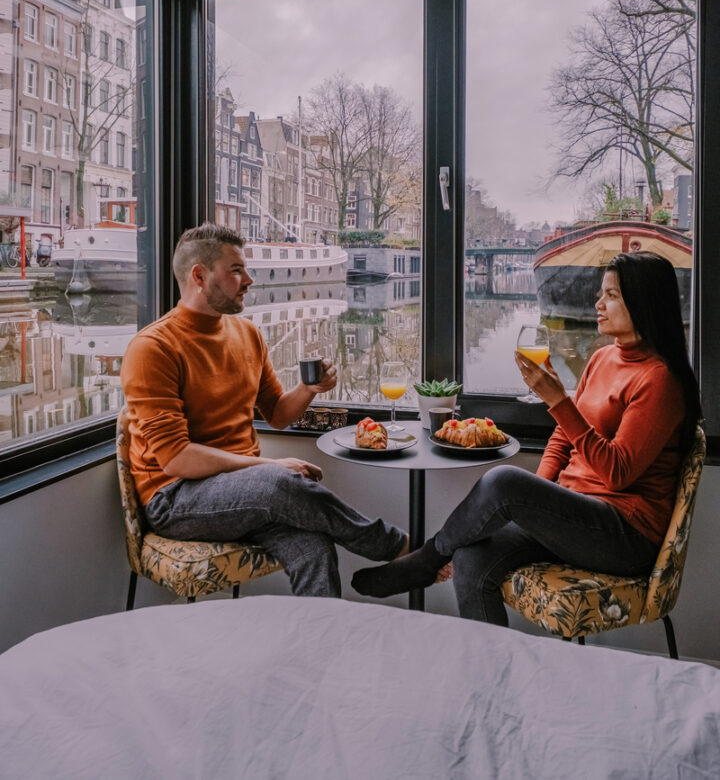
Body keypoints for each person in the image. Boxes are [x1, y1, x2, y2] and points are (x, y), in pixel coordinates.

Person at [352, 252, 701, 624]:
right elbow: (562, 440)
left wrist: (557, 401)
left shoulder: (659, 380)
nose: (598, 303)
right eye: (602, 294)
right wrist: (535, 505)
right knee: (472, 553)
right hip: (578, 516)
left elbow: (618, 473)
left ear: (643, 301)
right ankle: (491, 673)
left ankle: (426, 559)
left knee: (504, 480)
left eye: (611, 295)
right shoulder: (602, 359)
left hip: (624, 535)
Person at [121, 223, 409, 597]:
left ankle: (323, 648)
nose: (249, 280)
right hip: (175, 499)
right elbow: (176, 459)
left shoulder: (248, 334)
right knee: (278, 482)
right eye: (237, 270)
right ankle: (398, 549)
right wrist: (269, 467)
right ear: (199, 276)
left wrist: (309, 389)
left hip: (246, 493)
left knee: (314, 547)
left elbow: (278, 414)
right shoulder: (153, 347)